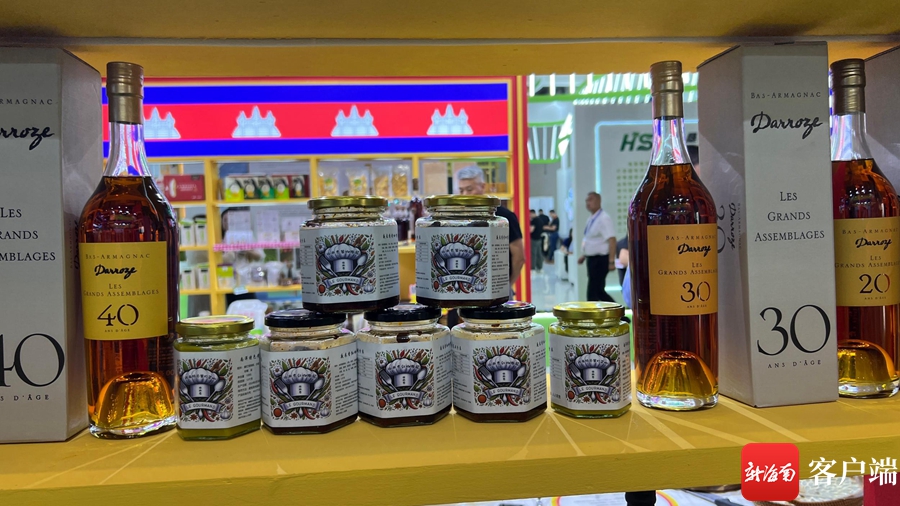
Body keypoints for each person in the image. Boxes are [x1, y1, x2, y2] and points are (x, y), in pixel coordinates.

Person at [456, 165, 525, 288]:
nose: (465, 195)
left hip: (497, 286)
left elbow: (519, 257)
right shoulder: (456, 218)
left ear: (483, 186)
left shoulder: (504, 217)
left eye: (469, 189)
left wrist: (507, 286)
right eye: (461, 191)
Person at [577, 192, 616, 302]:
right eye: (586, 200)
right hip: (592, 259)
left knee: (594, 292)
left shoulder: (604, 218)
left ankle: (616, 310)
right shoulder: (591, 218)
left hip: (600, 260)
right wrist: (584, 255)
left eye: (591, 200)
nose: (588, 203)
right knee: (598, 291)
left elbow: (612, 240)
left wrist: (611, 261)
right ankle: (616, 310)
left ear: (598, 201)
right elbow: (591, 240)